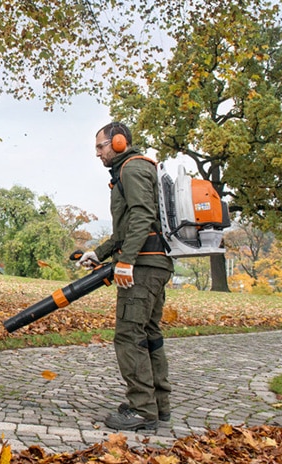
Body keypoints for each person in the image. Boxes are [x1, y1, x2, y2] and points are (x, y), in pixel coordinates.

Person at [77, 121, 174, 431]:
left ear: (118, 142)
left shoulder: (132, 169)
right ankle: (158, 405)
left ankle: (142, 409)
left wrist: (126, 262)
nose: (97, 153)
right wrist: (101, 253)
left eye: (100, 146)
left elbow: (143, 216)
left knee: (129, 336)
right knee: (148, 335)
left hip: (143, 267)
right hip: (153, 263)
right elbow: (127, 226)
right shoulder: (132, 170)